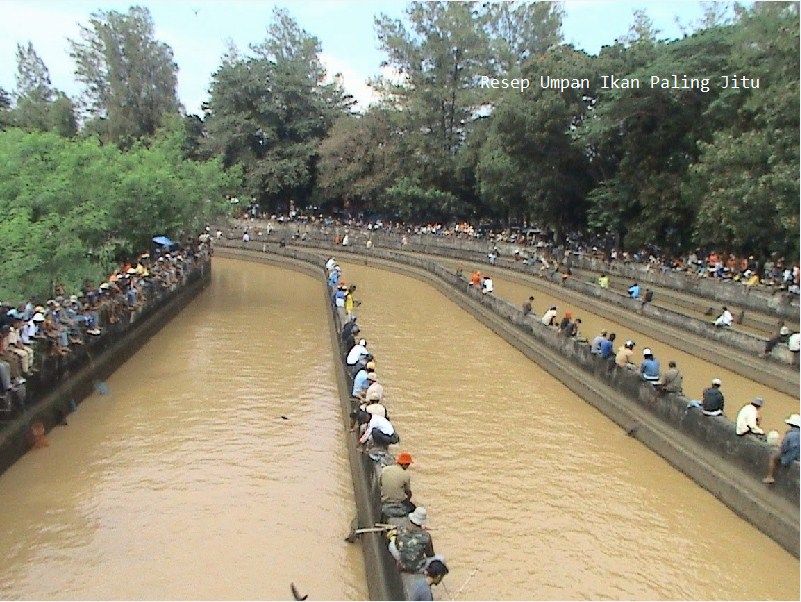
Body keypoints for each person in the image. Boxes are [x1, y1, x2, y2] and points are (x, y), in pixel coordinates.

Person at [388, 507, 435, 573]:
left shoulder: (401, 527)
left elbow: (397, 543)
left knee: (391, 545)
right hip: (417, 567)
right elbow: (430, 555)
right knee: (437, 559)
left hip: (402, 560)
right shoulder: (426, 536)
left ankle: (401, 564)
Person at [763, 414, 800, 484]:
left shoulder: (789, 434)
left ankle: (770, 477)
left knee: (773, 457)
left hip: (790, 457)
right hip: (798, 456)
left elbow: (784, 448)